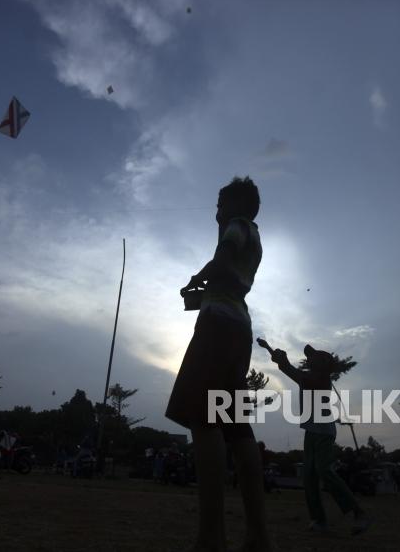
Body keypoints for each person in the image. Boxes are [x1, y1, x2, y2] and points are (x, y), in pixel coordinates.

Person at [165, 176, 272, 552]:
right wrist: (206, 287)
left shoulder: (235, 228)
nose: (215, 212)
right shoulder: (255, 236)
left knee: (205, 419)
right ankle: (257, 536)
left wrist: (197, 278)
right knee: (237, 428)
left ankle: (212, 537)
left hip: (218, 327)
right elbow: (232, 278)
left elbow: (223, 262)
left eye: (219, 204)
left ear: (233, 206)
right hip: (239, 328)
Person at [267, 344, 371, 535]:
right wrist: (274, 354)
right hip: (312, 430)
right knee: (309, 476)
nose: (309, 358)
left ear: (323, 364)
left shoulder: (320, 379)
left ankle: (359, 513)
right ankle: (319, 520)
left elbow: (297, 375)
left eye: (314, 357)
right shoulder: (311, 376)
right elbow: (294, 372)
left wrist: (283, 362)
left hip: (324, 432)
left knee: (323, 470)